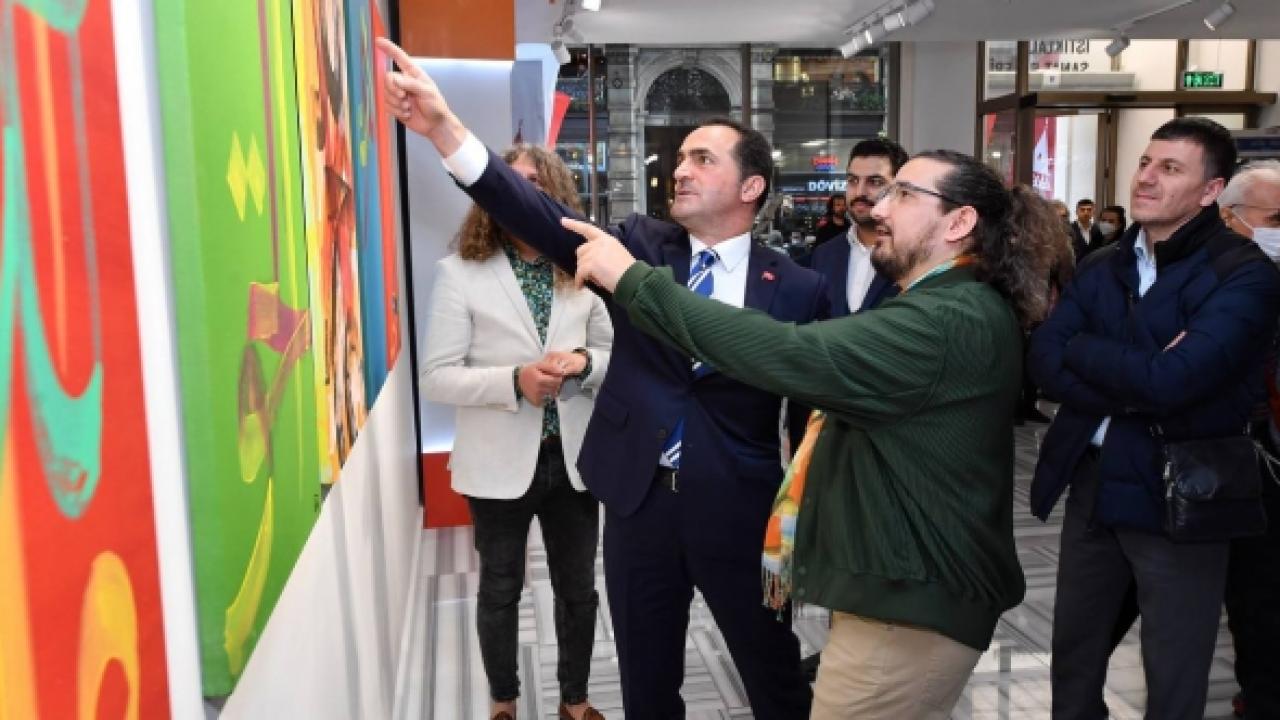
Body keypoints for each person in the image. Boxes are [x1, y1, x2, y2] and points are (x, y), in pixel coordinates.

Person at [377, 38, 826, 719]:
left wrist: (808, 517)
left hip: (741, 509)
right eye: (680, 158)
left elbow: (817, 414)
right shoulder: (636, 248)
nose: (680, 170)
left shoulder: (797, 287)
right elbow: (532, 211)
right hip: (640, 505)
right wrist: (446, 131)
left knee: (774, 677)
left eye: (703, 159)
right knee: (647, 685)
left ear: (751, 187)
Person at [569, 149, 1056, 719]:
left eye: (902, 194)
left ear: (959, 222)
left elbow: (785, 352)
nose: (879, 207)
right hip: (903, 597)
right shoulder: (949, 302)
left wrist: (633, 282)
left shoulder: (947, 319)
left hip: (908, 613)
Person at [1028, 117, 1280, 720]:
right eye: (1145, 162)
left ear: (1211, 190)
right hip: (1094, 480)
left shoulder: (1245, 273)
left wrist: (1088, 352)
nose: (1145, 177)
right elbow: (1044, 360)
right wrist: (1142, 373)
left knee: (1174, 672)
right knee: (1074, 659)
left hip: (1183, 491)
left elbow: (1175, 382)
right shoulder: (1103, 264)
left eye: (1170, 168)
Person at [420, 145, 613, 720]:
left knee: (578, 591)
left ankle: (575, 702)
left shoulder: (585, 269)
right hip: (496, 462)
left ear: (555, 195)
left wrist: (584, 363)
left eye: (536, 182)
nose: (522, 191)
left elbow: (614, 355)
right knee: (500, 588)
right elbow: (436, 376)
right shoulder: (458, 273)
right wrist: (514, 380)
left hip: (575, 460)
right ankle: (503, 701)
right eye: (511, 180)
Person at [1219, 159, 1280, 719]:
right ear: (1230, 217)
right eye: (1276, 219)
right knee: (1256, 593)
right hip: (1245, 462)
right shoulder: (1211, 284)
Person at [810, 138, 908, 317]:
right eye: (853, 180)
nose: (859, 192)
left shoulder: (914, 254)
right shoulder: (824, 254)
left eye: (875, 182)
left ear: (900, 189)